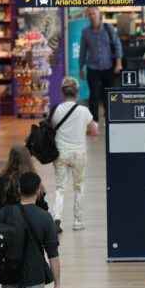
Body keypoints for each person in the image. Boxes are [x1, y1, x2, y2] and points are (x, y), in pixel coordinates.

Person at [51, 77, 99, 232]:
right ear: (77, 93)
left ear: (62, 93)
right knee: (78, 187)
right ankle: (78, 221)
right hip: (79, 154)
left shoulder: (57, 109)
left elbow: (52, 127)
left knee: (60, 188)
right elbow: (94, 130)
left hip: (61, 153)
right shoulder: (83, 111)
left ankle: (57, 219)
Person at [79, 7, 123, 122]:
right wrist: (81, 68)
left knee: (108, 95)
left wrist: (119, 63)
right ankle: (94, 121)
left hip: (108, 67)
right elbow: (83, 51)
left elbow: (117, 45)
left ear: (99, 15)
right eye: (90, 14)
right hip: (92, 68)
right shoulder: (85, 32)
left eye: (94, 13)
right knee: (93, 95)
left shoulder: (109, 29)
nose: (92, 16)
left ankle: (109, 118)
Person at [0, 145, 50, 222]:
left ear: (10, 159)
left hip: (2, 228)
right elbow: (42, 208)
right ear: (28, 159)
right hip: (26, 229)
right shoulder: (31, 180)